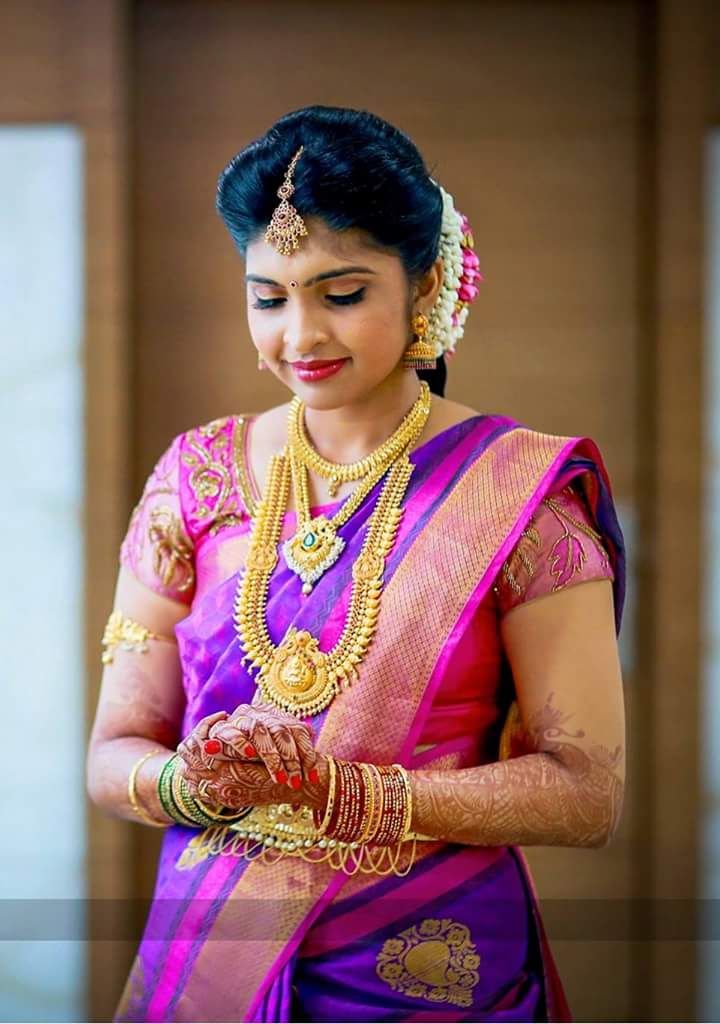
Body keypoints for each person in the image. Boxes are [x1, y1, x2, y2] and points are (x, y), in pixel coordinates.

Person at [87, 105, 626, 1023]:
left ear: (424, 288)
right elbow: (113, 754)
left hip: (432, 962)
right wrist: (191, 781)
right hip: (213, 954)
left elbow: (587, 792)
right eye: (268, 296)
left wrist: (340, 794)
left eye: (340, 295)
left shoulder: (521, 497)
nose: (299, 336)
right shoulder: (195, 476)